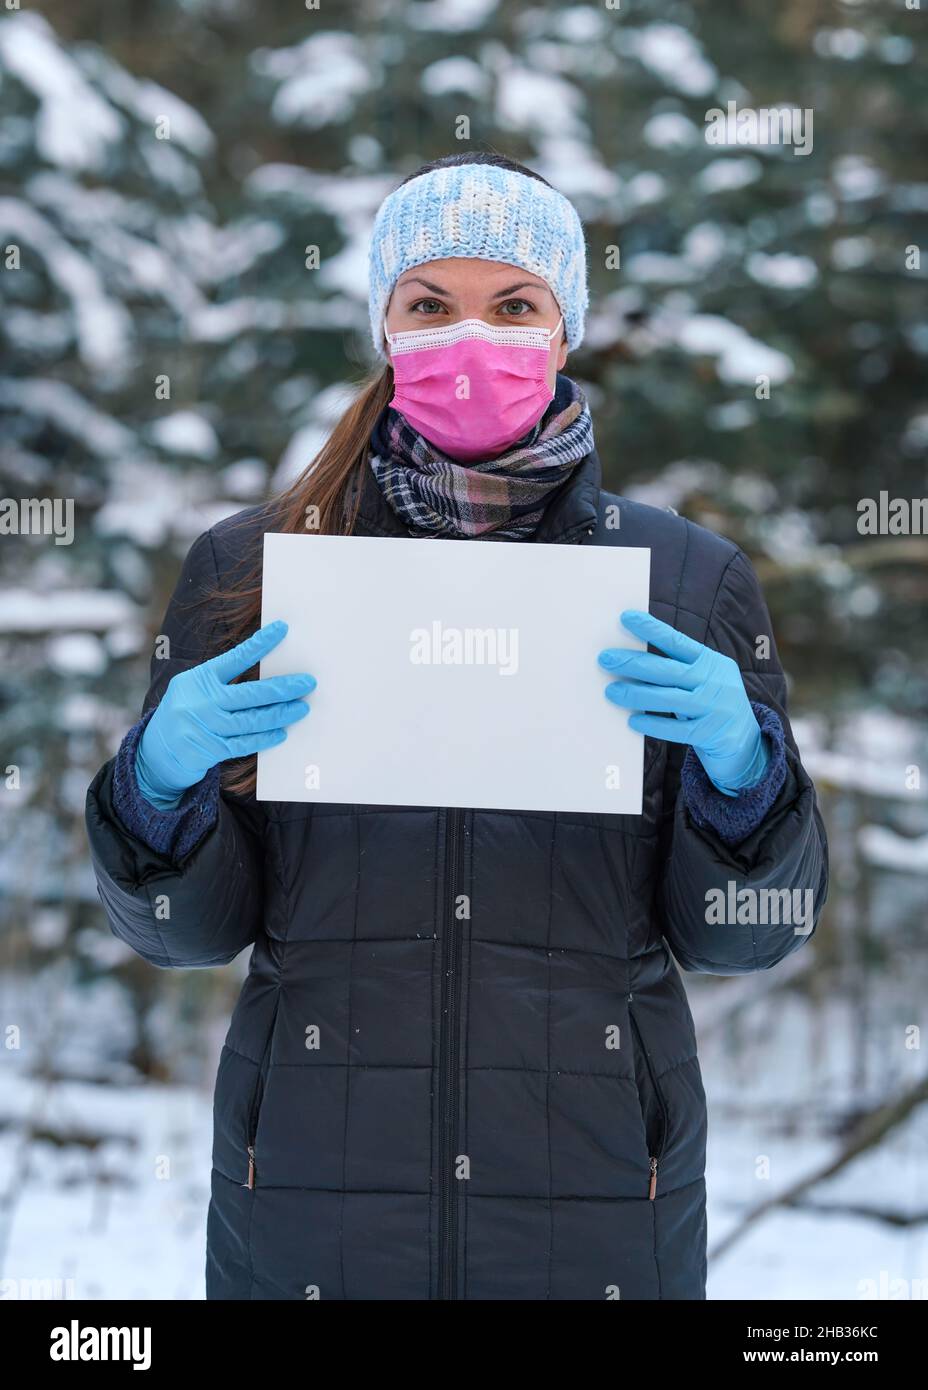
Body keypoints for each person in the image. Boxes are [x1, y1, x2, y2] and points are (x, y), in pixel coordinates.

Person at [85, 152, 829, 1301]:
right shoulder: (254, 569)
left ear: (564, 330)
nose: (469, 336)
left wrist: (747, 779)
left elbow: (742, 937)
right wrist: (157, 786)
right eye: (430, 304)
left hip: (596, 1211)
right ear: (384, 326)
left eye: (513, 305)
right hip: (306, 1205)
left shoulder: (685, 578)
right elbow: (190, 932)